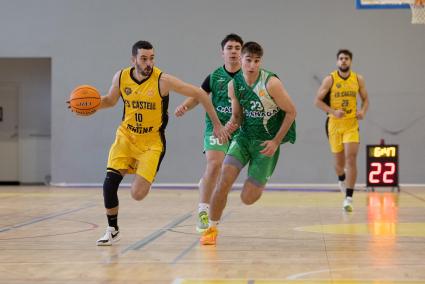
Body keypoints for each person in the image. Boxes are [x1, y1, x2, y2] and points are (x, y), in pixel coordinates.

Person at [69, 40, 229, 246]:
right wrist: (88, 104)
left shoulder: (163, 80)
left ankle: (137, 167)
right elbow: (109, 100)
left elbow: (199, 93)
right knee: (109, 184)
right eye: (144, 59)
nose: (148, 63)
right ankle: (112, 229)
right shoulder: (121, 77)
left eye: (151, 58)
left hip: (152, 142)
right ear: (133, 59)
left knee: (137, 194)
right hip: (126, 137)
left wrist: (216, 124)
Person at [200, 41, 297, 245]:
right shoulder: (233, 85)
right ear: (241, 60)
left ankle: (259, 180)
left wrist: (276, 141)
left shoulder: (271, 83)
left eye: (256, 61)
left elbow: (291, 112)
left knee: (247, 198)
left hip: (265, 143)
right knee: (223, 180)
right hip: (244, 138)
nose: (252, 65)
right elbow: (236, 118)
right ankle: (211, 228)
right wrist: (226, 129)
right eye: (248, 60)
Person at [174, 33, 243, 233]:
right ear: (222, 53)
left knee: (224, 177)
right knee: (214, 165)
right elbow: (198, 96)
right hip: (217, 127)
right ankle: (203, 211)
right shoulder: (214, 77)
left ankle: (208, 192)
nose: (233, 51)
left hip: (239, 130)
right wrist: (185, 106)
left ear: (242, 52)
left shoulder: (248, 78)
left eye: (237, 48)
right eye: (229, 48)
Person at [314, 49, 369, 212]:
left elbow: (366, 99)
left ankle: (349, 198)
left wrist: (363, 112)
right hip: (335, 125)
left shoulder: (358, 79)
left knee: (351, 159)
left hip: (351, 124)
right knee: (339, 164)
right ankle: (341, 178)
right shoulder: (330, 79)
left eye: (346, 58)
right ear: (337, 61)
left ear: (350, 61)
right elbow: (317, 101)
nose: (343, 61)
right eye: (341, 58)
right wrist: (332, 111)